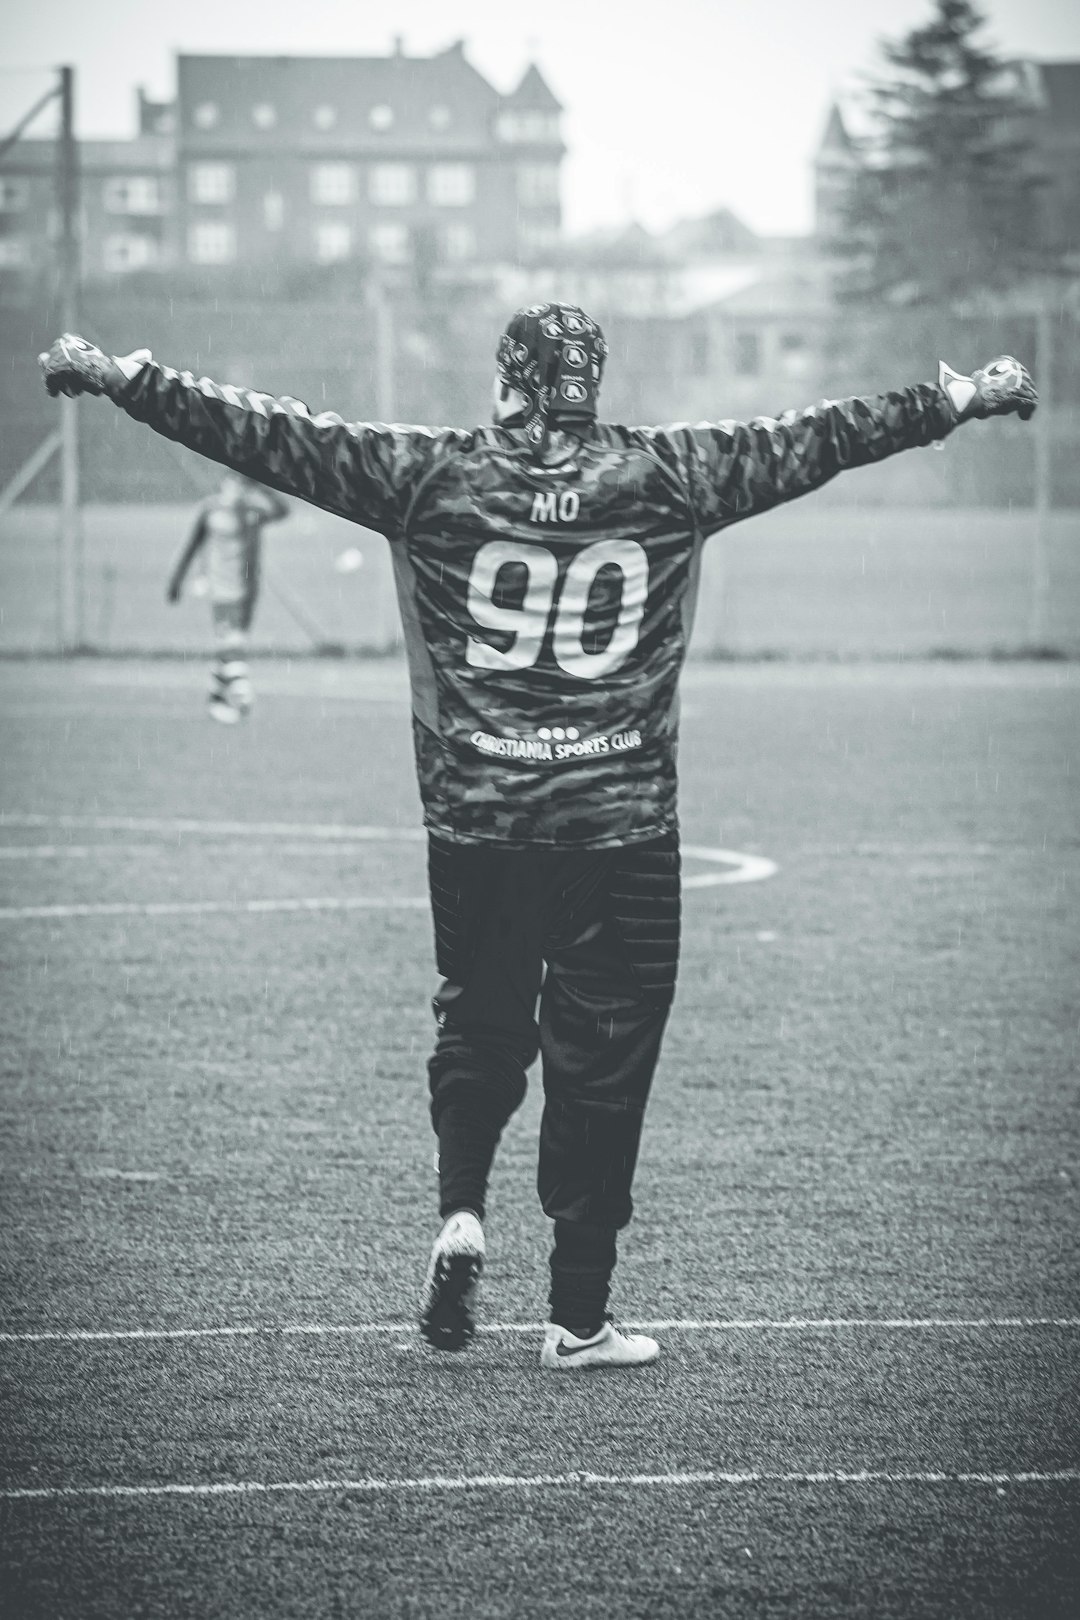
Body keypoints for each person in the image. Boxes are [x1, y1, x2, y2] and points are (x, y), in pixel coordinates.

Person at [39, 315, 1035, 1371]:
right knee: (604, 1068)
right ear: (592, 382)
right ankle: (577, 1319)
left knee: (477, 1022)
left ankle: (461, 1211)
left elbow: (266, 433)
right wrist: (957, 398)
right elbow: (821, 435)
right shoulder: (669, 473)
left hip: (478, 819)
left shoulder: (425, 474)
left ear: (507, 379)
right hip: (622, 828)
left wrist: (123, 378)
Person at [166, 470, 289, 723]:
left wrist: (262, 485)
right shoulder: (210, 510)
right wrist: (176, 580)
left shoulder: (251, 512)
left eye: (241, 485)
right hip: (221, 588)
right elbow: (192, 544)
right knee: (232, 642)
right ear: (223, 484)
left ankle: (216, 699)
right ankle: (242, 696)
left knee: (233, 642)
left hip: (247, 589)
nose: (235, 490)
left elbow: (283, 510)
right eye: (232, 483)